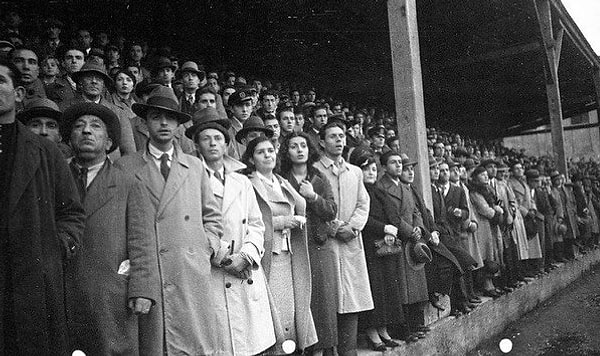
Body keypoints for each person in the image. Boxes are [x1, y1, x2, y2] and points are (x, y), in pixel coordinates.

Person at [116, 85, 229, 356]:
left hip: (190, 272)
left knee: (193, 346)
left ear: (179, 124)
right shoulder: (127, 166)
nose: (164, 123)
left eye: (170, 118)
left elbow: (212, 217)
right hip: (150, 275)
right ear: (144, 123)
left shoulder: (194, 166)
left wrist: (206, 248)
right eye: (156, 117)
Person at [0, 60, 85, 355]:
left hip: (31, 280)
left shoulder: (44, 150)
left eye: (0, 81)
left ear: (19, 93)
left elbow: (72, 213)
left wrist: (51, 249)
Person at [61, 102, 159, 355]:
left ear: (108, 142)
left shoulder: (128, 183)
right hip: (62, 290)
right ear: (69, 139)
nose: (86, 131)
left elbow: (142, 241)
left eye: (95, 127)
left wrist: (142, 289)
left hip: (108, 293)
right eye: (79, 127)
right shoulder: (55, 178)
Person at [187, 107, 277, 355]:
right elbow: (190, 226)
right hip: (213, 272)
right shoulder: (188, 179)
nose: (213, 143)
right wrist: (223, 255)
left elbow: (257, 224)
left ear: (227, 145)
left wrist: (246, 254)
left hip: (244, 270)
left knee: (250, 344)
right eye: (206, 138)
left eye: (218, 138)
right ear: (196, 144)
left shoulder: (242, 181)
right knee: (222, 345)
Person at [242, 136, 318, 354]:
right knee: (274, 314)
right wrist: (285, 222)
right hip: (268, 256)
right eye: (260, 152)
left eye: (270, 150)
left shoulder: (281, 181)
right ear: (251, 158)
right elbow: (251, 221)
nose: (268, 155)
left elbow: (300, 205)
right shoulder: (249, 183)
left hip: (289, 252)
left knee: (292, 311)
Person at [314, 121, 373, 356]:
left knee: (352, 298)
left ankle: (349, 351)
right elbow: (314, 206)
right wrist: (335, 228)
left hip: (351, 242)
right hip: (327, 242)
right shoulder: (314, 170)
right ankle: (330, 351)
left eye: (341, 136)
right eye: (332, 137)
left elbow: (363, 203)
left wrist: (354, 227)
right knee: (329, 299)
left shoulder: (355, 171)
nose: (338, 140)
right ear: (321, 142)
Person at [278, 132, 338, 356]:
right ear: (287, 151)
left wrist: (313, 197)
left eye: (303, 145)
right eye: (293, 146)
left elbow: (332, 211)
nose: (299, 150)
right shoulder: (280, 178)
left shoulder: (319, 177)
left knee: (321, 305)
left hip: (317, 246)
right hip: (291, 247)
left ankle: (321, 351)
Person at [348, 148, 405, 351]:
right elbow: (362, 217)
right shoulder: (356, 191)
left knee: (388, 288)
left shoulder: (379, 190)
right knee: (374, 289)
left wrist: (392, 230)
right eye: (366, 169)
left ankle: (383, 330)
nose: (371, 173)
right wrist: (383, 228)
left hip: (386, 246)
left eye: (373, 169)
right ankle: (373, 333)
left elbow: (393, 214)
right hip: (368, 245)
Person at [376, 149, 429, 341]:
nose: (398, 165)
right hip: (398, 239)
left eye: (400, 162)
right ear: (384, 167)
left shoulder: (405, 187)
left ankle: (415, 324)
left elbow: (415, 211)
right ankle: (402, 329)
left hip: (412, 240)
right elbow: (392, 216)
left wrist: (419, 229)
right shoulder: (381, 187)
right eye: (393, 162)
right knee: (401, 288)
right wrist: (409, 231)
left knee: (414, 286)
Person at [63, 58, 136, 160]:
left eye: (99, 79)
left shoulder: (118, 113)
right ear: (80, 81)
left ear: (103, 84)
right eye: (89, 77)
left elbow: (129, 152)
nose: (94, 82)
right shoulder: (66, 108)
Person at [468, 166, 504, 297]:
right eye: (482, 175)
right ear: (476, 177)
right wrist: (497, 211)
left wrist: (495, 208)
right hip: (482, 226)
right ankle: (487, 286)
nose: (486, 176)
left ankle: (492, 284)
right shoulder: (475, 192)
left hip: (490, 226)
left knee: (493, 253)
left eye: (485, 174)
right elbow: (485, 210)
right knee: (486, 255)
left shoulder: (486, 189)